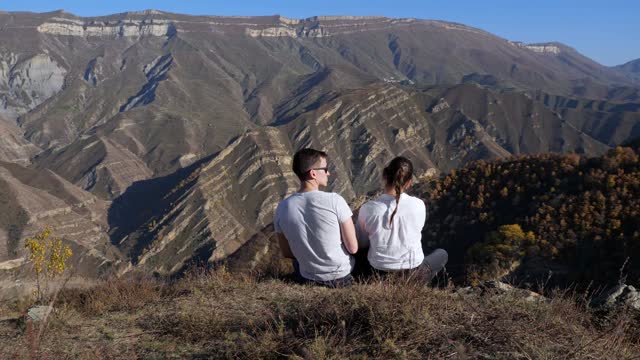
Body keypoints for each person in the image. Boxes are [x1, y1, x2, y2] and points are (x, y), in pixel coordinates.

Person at [274, 148, 358, 287]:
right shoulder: (335, 200)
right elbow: (353, 248)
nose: (328, 173)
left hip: (307, 277)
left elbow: (287, 252)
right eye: (325, 169)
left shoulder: (282, 207)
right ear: (313, 173)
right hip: (341, 277)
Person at [357, 156, 447, 283]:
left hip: (378, 274)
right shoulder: (419, 205)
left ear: (385, 176)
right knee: (442, 254)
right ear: (409, 182)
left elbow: (361, 243)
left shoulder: (368, 209)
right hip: (413, 275)